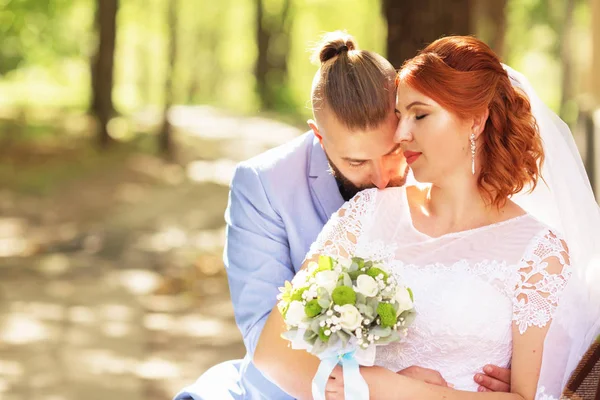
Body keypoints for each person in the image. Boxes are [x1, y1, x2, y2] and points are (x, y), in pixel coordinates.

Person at [253, 36, 600, 399]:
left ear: (476, 122)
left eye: (420, 115)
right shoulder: (365, 213)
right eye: (400, 116)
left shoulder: (539, 252)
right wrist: (361, 382)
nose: (401, 135)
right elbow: (274, 355)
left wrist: (398, 390)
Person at [173, 32, 512, 400]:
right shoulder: (263, 185)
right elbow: (268, 341)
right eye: (356, 162)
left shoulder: (434, 163)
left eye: (392, 152)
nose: (383, 180)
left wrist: (495, 364)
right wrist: (380, 387)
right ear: (319, 137)